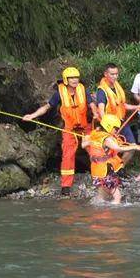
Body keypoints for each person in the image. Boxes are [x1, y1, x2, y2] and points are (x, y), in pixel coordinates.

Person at [23, 67, 90, 196]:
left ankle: (104, 177)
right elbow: (47, 107)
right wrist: (32, 116)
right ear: (66, 80)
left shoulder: (83, 90)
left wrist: (97, 113)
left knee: (95, 148)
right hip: (69, 129)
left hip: (84, 127)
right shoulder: (59, 93)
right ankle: (66, 186)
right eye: (72, 78)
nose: (75, 80)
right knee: (67, 155)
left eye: (76, 77)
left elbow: (92, 104)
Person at [81, 114, 140, 204]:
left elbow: (83, 145)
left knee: (101, 197)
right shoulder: (107, 139)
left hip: (96, 170)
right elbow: (118, 149)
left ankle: (99, 213)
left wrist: (88, 140)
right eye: (115, 128)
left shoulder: (95, 134)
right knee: (117, 197)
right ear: (109, 126)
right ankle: (114, 213)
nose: (116, 131)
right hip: (105, 170)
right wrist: (134, 147)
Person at [96, 63, 140, 167]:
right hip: (110, 126)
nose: (115, 76)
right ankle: (110, 173)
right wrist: (108, 129)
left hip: (121, 122)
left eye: (116, 74)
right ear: (105, 74)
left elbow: (123, 105)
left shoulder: (117, 87)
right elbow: (101, 111)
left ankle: (119, 169)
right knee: (112, 150)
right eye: (112, 74)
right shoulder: (102, 91)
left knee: (132, 146)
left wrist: (137, 107)